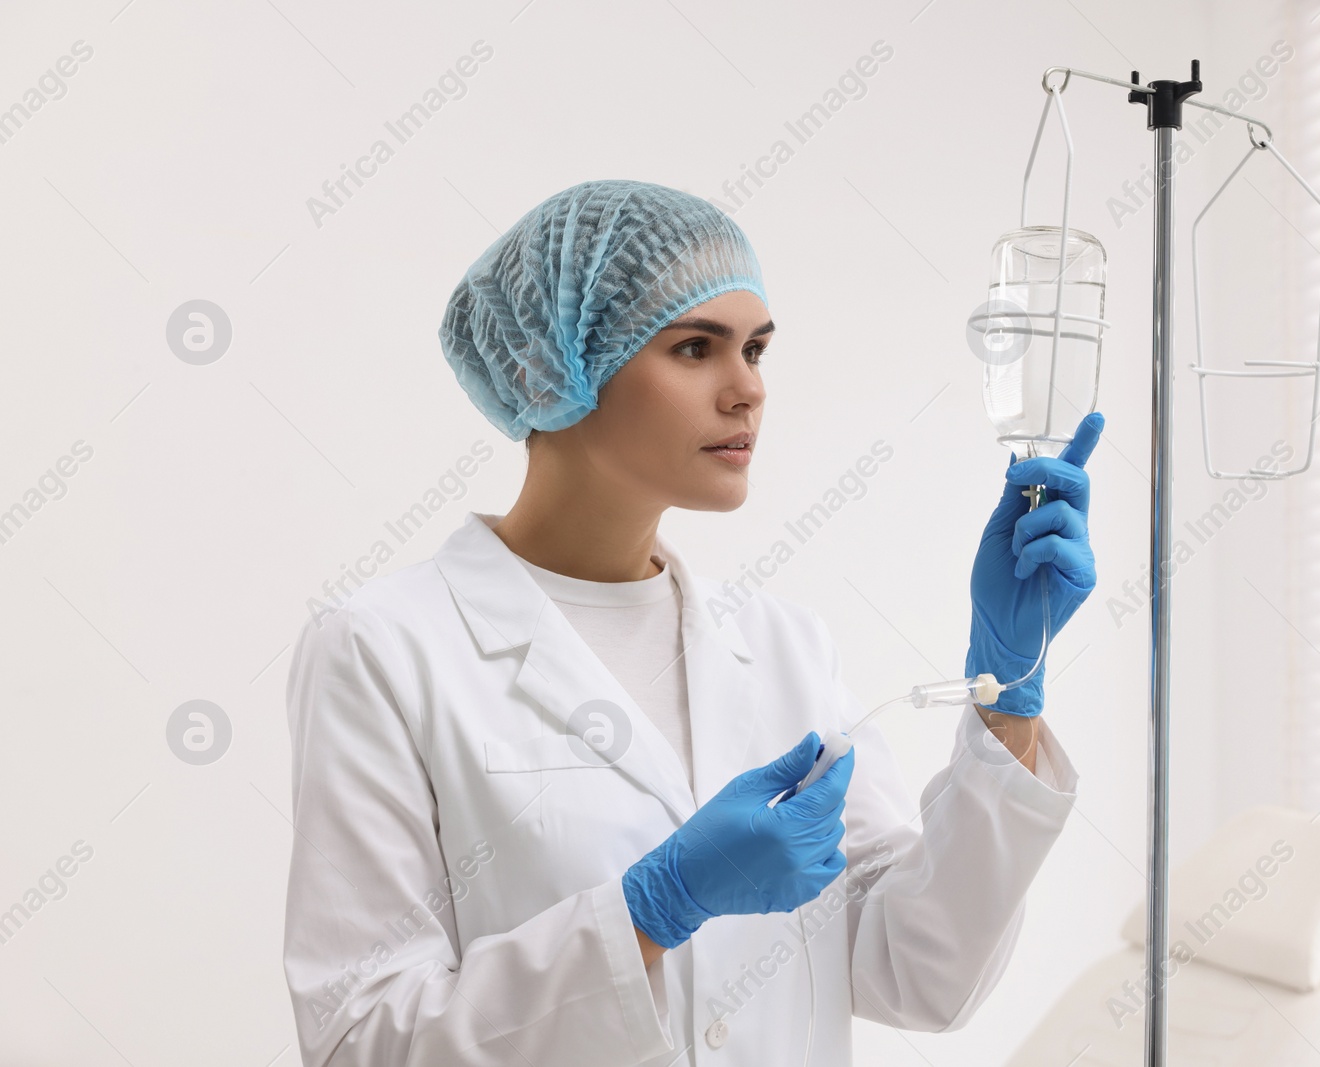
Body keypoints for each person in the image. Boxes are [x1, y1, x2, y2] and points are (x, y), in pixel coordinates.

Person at [281, 178, 1103, 1066]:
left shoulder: (784, 646)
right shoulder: (384, 649)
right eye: (694, 347)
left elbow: (916, 971)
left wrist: (1007, 699)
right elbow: (362, 1041)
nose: (747, 388)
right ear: (543, 369)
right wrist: (651, 909)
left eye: (755, 348)